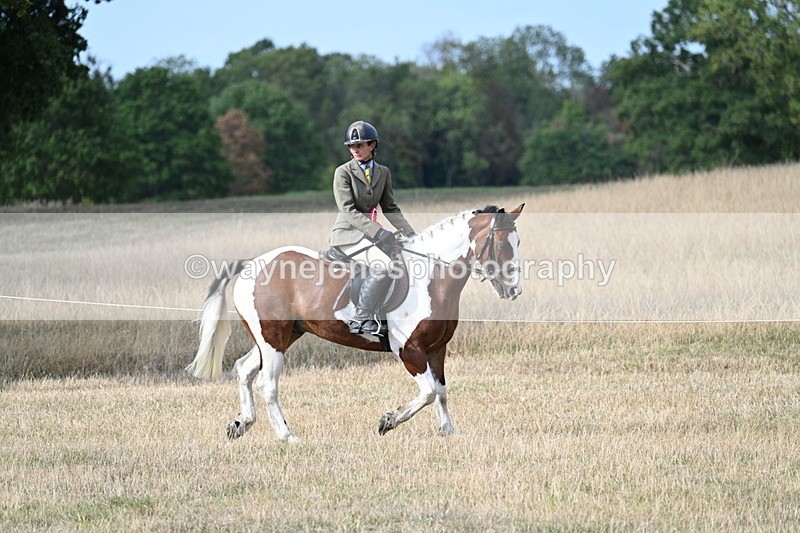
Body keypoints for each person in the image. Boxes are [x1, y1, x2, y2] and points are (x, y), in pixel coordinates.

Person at [327, 120, 415, 335]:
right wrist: (379, 232)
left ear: (373, 145)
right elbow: (347, 210)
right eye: (351, 146)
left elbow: (390, 207)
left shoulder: (383, 173)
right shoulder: (343, 172)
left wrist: (412, 235)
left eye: (360, 145)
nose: (355, 149)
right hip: (348, 235)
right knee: (384, 266)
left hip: (371, 235)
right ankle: (361, 317)